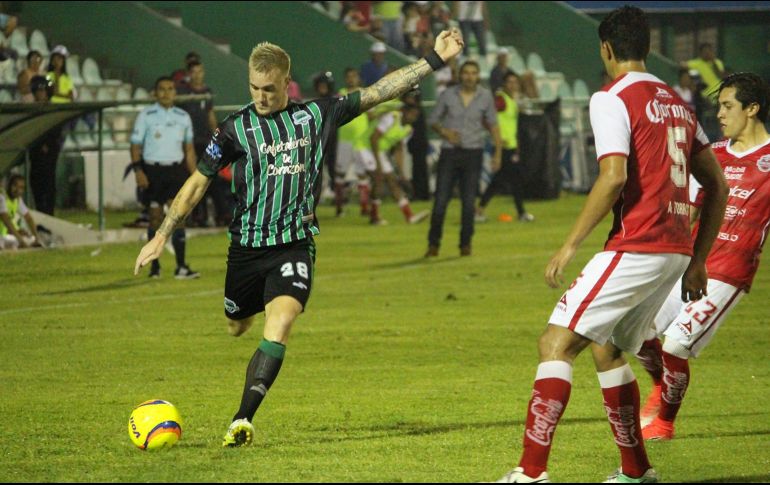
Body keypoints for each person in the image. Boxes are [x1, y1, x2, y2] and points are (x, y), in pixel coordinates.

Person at [133, 32, 465, 448]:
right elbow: (197, 183)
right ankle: (245, 317)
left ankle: (242, 419)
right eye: (254, 88)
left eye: (269, 89)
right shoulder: (235, 130)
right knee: (237, 325)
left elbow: (380, 91)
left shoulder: (315, 115)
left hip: (294, 244)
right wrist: (162, 235)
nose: (261, 96)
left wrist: (434, 58)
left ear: (287, 83)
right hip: (246, 249)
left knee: (283, 320)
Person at [492, 6, 727, 483]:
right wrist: (697, 259)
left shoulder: (612, 97)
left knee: (556, 342)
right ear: (646, 46)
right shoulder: (677, 101)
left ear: (606, 48)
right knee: (608, 350)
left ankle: (531, 474)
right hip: (675, 249)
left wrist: (569, 245)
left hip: (637, 244)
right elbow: (717, 186)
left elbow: (614, 175)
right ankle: (636, 471)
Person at [635, 72, 770, 441]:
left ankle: (664, 422)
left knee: (676, 343)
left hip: (729, 273)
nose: (720, 115)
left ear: (753, 108)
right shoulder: (715, 157)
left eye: (728, 106)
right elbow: (689, 212)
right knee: (635, 332)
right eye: (719, 107)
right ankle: (661, 385)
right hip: (691, 264)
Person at [426, 59, 502, 257]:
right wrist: (445, 132)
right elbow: (433, 120)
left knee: (469, 203)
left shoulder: (485, 97)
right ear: (460, 75)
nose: (469, 76)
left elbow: (494, 126)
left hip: (473, 153)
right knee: (441, 201)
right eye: (466, 73)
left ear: (478, 76)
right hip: (450, 152)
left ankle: (465, 244)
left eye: (473, 73)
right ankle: (433, 244)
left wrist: (497, 153)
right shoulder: (447, 95)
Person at [130, 76, 199, 279]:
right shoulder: (146, 115)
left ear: (175, 93)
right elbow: (135, 145)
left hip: (176, 172)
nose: (166, 93)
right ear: (155, 92)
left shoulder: (183, 116)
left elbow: (189, 149)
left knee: (178, 217)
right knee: (155, 217)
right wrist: (138, 171)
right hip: (153, 172)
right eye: (162, 89)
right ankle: (154, 268)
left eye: (170, 89)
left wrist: (195, 175)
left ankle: (181, 267)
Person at [476, 72, 534, 223]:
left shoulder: (511, 100)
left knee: (499, 181)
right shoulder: (501, 99)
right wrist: (496, 136)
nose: (513, 85)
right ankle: (521, 213)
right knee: (513, 181)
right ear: (504, 84)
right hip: (504, 146)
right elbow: (486, 116)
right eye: (509, 82)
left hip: (511, 146)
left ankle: (480, 210)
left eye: (515, 82)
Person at [177, 60, 227, 227]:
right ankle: (199, 215)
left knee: (213, 179)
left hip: (206, 142)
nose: (197, 75)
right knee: (197, 178)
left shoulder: (207, 92)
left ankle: (221, 214)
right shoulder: (183, 93)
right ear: (189, 74)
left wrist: (217, 138)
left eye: (200, 71)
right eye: (194, 72)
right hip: (190, 143)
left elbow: (210, 116)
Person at [366, 103, 429, 225]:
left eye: (416, 116)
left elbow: (399, 150)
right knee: (385, 180)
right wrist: (378, 163)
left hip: (379, 152)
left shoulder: (408, 130)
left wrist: (402, 173)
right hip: (366, 148)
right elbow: (373, 138)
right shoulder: (392, 118)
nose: (413, 118)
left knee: (388, 181)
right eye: (412, 114)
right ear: (405, 111)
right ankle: (407, 217)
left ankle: (376, 216)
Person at [334, 67, 370, 217]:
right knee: (340, 173)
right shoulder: (340, 94)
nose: (351, 79)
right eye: (348, 77)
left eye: (353, 76)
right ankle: (339, 207)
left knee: (363, 173)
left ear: (358, 78)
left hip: (362, 140)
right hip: (345, 140)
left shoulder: (365, 92)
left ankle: (364, 207)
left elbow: (372, 112)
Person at [28, 75, 63, 215]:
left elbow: (56, 130)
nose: (40, 94)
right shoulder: (31, 110)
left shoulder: (52, 109)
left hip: (49, 155)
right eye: (37, 91)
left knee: (48, 185)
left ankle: (49, 215)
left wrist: (47, 144)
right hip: (35, 155)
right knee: (36, 184)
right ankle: (40, 215)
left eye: (42, 91)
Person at [0, 175, 41, 250]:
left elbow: (29, 218)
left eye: (21, 187)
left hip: (4, 235)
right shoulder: (2, 197)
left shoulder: (17, 200)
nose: (18, 190)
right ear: (9, 185)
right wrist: (20, 240)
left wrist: (36, 239)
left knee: (28, 238)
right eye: (15, 185)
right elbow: (5, 220)